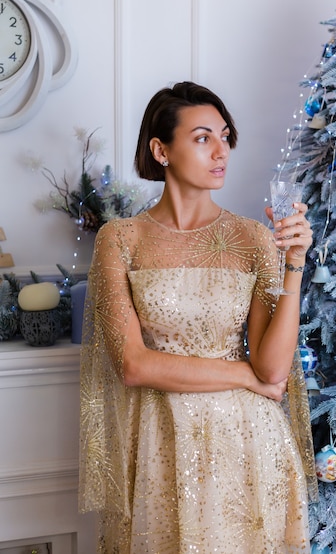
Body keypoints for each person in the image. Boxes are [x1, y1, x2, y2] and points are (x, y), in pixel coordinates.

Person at [79, 81, 317, 553]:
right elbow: (133, 365)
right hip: (158, 447)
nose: (221, 151)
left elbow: (273, 371)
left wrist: (295, 263)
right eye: (203, 137)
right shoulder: (121, 240)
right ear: (160, 149)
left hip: (249, 446)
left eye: (225, 136)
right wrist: (243, 377)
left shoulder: (252, 238)